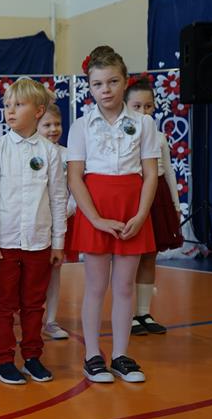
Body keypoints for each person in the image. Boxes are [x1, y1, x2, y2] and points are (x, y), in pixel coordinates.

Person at [67, 46, 160, 383]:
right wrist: (94, 219)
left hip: (131, 209)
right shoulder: (81, 125)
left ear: (125, 81)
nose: (105, 90)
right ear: (89, 87)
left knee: (124, 287)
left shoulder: (144, 123)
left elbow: (150, 174)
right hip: (96, 208)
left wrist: (141, 214)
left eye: (112, 82)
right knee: (96, 286)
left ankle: (121, 354)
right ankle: (92, 355)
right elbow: (75, 177)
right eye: (97, 84)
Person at [0, 78, 67, 385]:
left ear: (38, 111)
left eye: (18, 105)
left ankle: (32, 357)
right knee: (5, 303)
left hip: (38, 242)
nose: (10, 111)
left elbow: (58, 198)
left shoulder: (50, 152)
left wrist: (57, 243)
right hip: (5, 243)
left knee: (34, 304)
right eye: (7, 105)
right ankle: (4, 360)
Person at [125, 75, 182, 335]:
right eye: (137, 106)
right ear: (126, 107)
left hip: (157, 198)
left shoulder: (159, 137)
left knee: (150, 256)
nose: (143, 111)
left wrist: (175, 205)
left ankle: (143, 312)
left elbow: (168, 172)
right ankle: (127, 314)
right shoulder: (123, 136)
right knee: (130, 259)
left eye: (148, 106)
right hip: (134, 196)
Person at [37, 104, 76, 341]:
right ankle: (30, 316)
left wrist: (63, 212)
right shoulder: (32, 154)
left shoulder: (68, 155)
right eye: (47, 125)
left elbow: (75, 189)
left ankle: (50, 320)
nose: (53, 129)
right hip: (34, 224)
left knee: (54, 272)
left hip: (58, 224)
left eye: (57, 124)